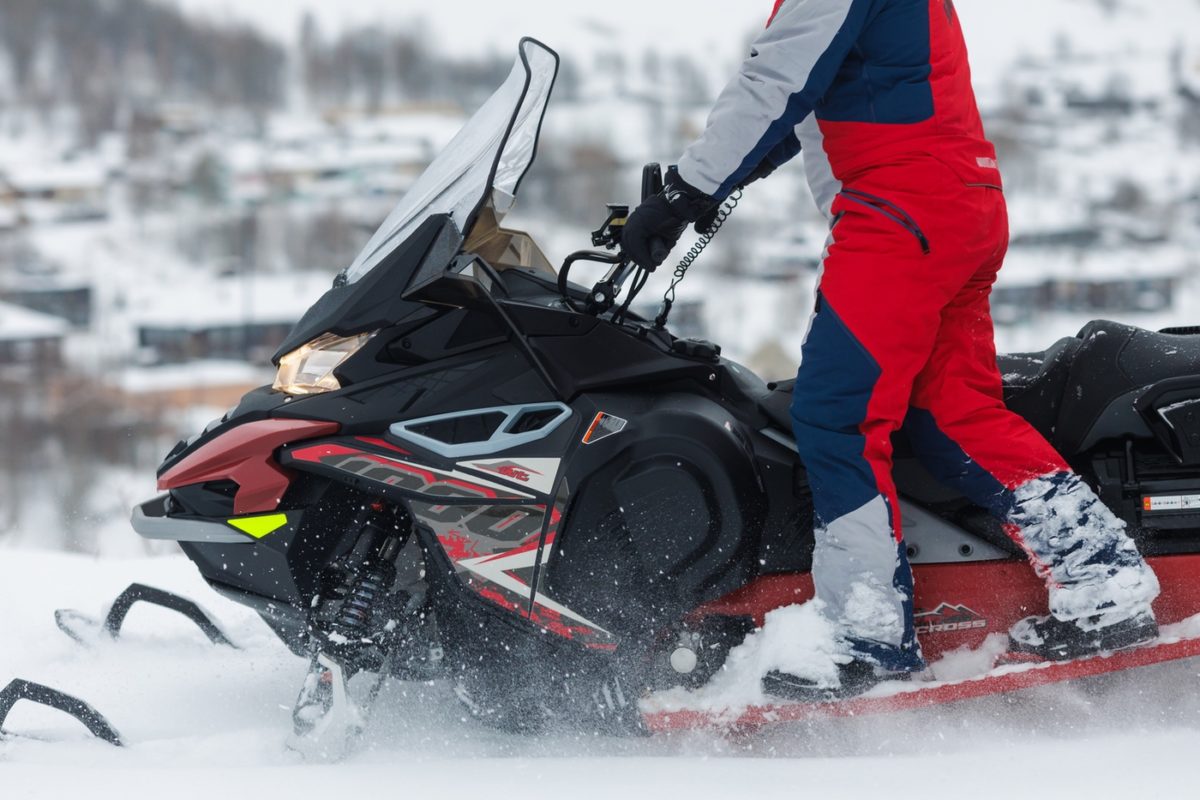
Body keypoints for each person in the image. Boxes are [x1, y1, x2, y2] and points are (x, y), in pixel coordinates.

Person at [621, 0, 1161, 698]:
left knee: (836, 416)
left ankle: (866, 633)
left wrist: (682, 195)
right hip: (961, 199)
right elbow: (814, 95)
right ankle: (1101, 577)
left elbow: (777, 82)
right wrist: (714, 181)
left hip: (899, 210)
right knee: (952, 413)